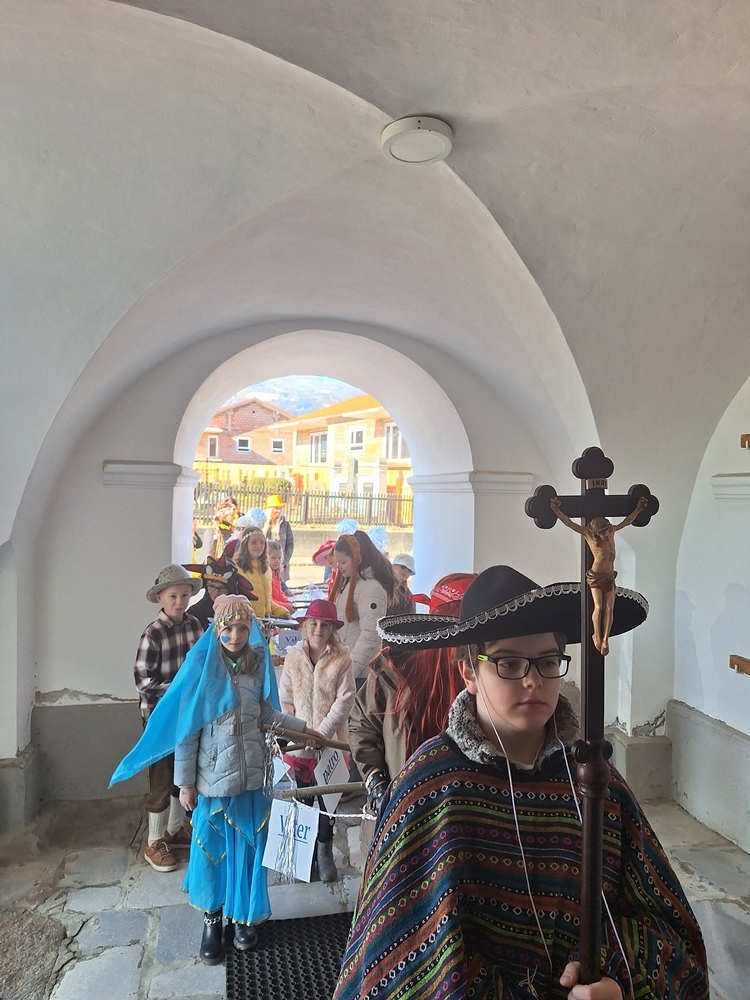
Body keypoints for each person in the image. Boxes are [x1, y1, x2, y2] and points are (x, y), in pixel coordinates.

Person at [334, 566, 709, 1000]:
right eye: (509, 663)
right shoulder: (430, 788)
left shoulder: (595, 786)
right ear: (469, 674)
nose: (534, 680)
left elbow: (673, 941)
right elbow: (398, 963)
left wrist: (619, 982)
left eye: (547, 662)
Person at [113, 595, 321, 966]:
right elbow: (187, 731)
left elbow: (266, 713)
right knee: (211, 850)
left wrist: (304, 729)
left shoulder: (257, 663)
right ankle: (212, 921)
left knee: (248, 849)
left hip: (251, 775)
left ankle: (242, 917)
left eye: (242, 627)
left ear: (250, 628)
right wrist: (185, 784)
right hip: (213, 779)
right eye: (229, 628)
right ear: (217, 628)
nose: (235, 635)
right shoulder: (202, 666)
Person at [348, 573, 475, 809]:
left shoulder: (490, 676)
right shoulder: (395, 667)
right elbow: (362, 724)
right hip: (403, 808)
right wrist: (376, 783)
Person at [278, 599, 355, 882]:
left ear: (333, 629)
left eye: (325, 625)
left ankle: (324, 849)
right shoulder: (293, 659)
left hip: (330, 743)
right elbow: (285, 700)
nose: (318, 629)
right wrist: (298, 733)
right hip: (300, 745)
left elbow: (344, 701)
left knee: (327, 800)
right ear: (304, 626)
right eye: (313, 623)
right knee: (304, 796)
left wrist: (322, 733)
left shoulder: (342, 660)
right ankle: (306, 849)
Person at [133, 564, 203, 872]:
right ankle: (154, 840)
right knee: (161, 779)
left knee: (182, 772)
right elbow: (142, 680)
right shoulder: (153, 634)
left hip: (187, 717)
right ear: (160, 598)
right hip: (160, 719)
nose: (179, 601)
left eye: (185, 595)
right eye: (173, 596)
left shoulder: (195, 626)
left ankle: (175, 829)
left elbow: (201, 662)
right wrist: (178, 690)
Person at [550, 495, 648, 655]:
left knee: (609, 608)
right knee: (599, 606)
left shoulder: (612, 531)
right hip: (595, 576)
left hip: (609, 577)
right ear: (595, 532)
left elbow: (627, 521)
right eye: (601, 533)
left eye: (605, 531)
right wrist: (556, 510)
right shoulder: (588, 534)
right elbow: (569, 523)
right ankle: (596, 635)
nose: (605, 535)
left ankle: (605, 640)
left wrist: (638, 509)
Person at [330, 531, 395, 685]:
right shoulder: (353, 583)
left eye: (343, 562)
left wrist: (349, 672)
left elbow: (371, 635)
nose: (339, 567)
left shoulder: (372, 588)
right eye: (337, 562)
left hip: (359, 674)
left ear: (357, 559)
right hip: (346, 667)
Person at [182, 554, 257, 632]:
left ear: (231, 590)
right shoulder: (194, 614)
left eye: (221, 588)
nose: (216, 593)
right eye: (211, 587)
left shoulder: (243, 614)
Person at [234, 526, 291, 620]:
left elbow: (267, 601)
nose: (259, 546)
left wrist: (283, 611)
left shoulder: (266, 569)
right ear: (245, 544)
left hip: (264, 621)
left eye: (262, 542)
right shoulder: (236, 567)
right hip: (245, 622)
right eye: (254, 542)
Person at [265, 494, 294, 581]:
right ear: (270, 509)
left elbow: (290, 545)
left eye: (280, 508)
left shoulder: (285, 524)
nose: (279, 510)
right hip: (265, 567)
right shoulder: (263, 524)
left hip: (281, 567)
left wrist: (284, 562)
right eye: (276, 508)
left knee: (281, 587)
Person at [267, 539, 294, 614]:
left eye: (279, 558)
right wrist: (286, 606)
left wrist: (287, 601)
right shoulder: (266, 576)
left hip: (280, 609)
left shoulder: (276, 574)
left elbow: (280, 594)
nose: (277, 561)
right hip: (273, 612)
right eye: (273, 558)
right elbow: (270, 600)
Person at [387, 552, 416, 616]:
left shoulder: (409, 595)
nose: (406, 571)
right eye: (403, 567)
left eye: (409, 570)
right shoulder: (382, 585)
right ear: (393, 566)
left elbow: (412, 617)